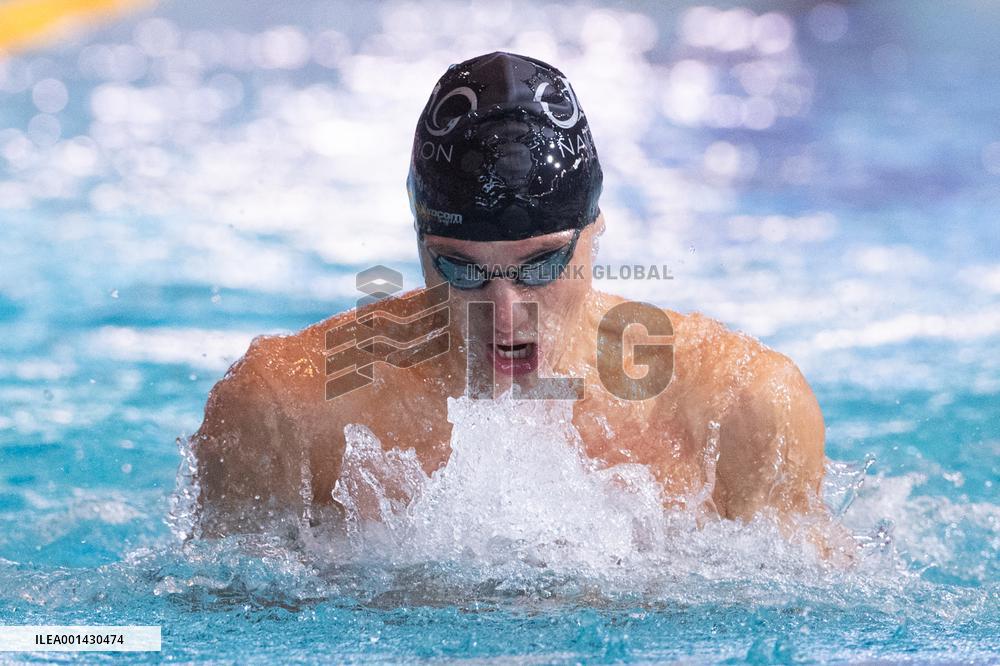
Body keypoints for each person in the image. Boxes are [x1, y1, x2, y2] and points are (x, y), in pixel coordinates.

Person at [191, 52, 845, 558]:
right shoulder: (287, 412)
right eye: (460, 268)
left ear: (596, 231)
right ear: (420, 247)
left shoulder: (740, 408)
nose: (504, 317)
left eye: (542, 265)